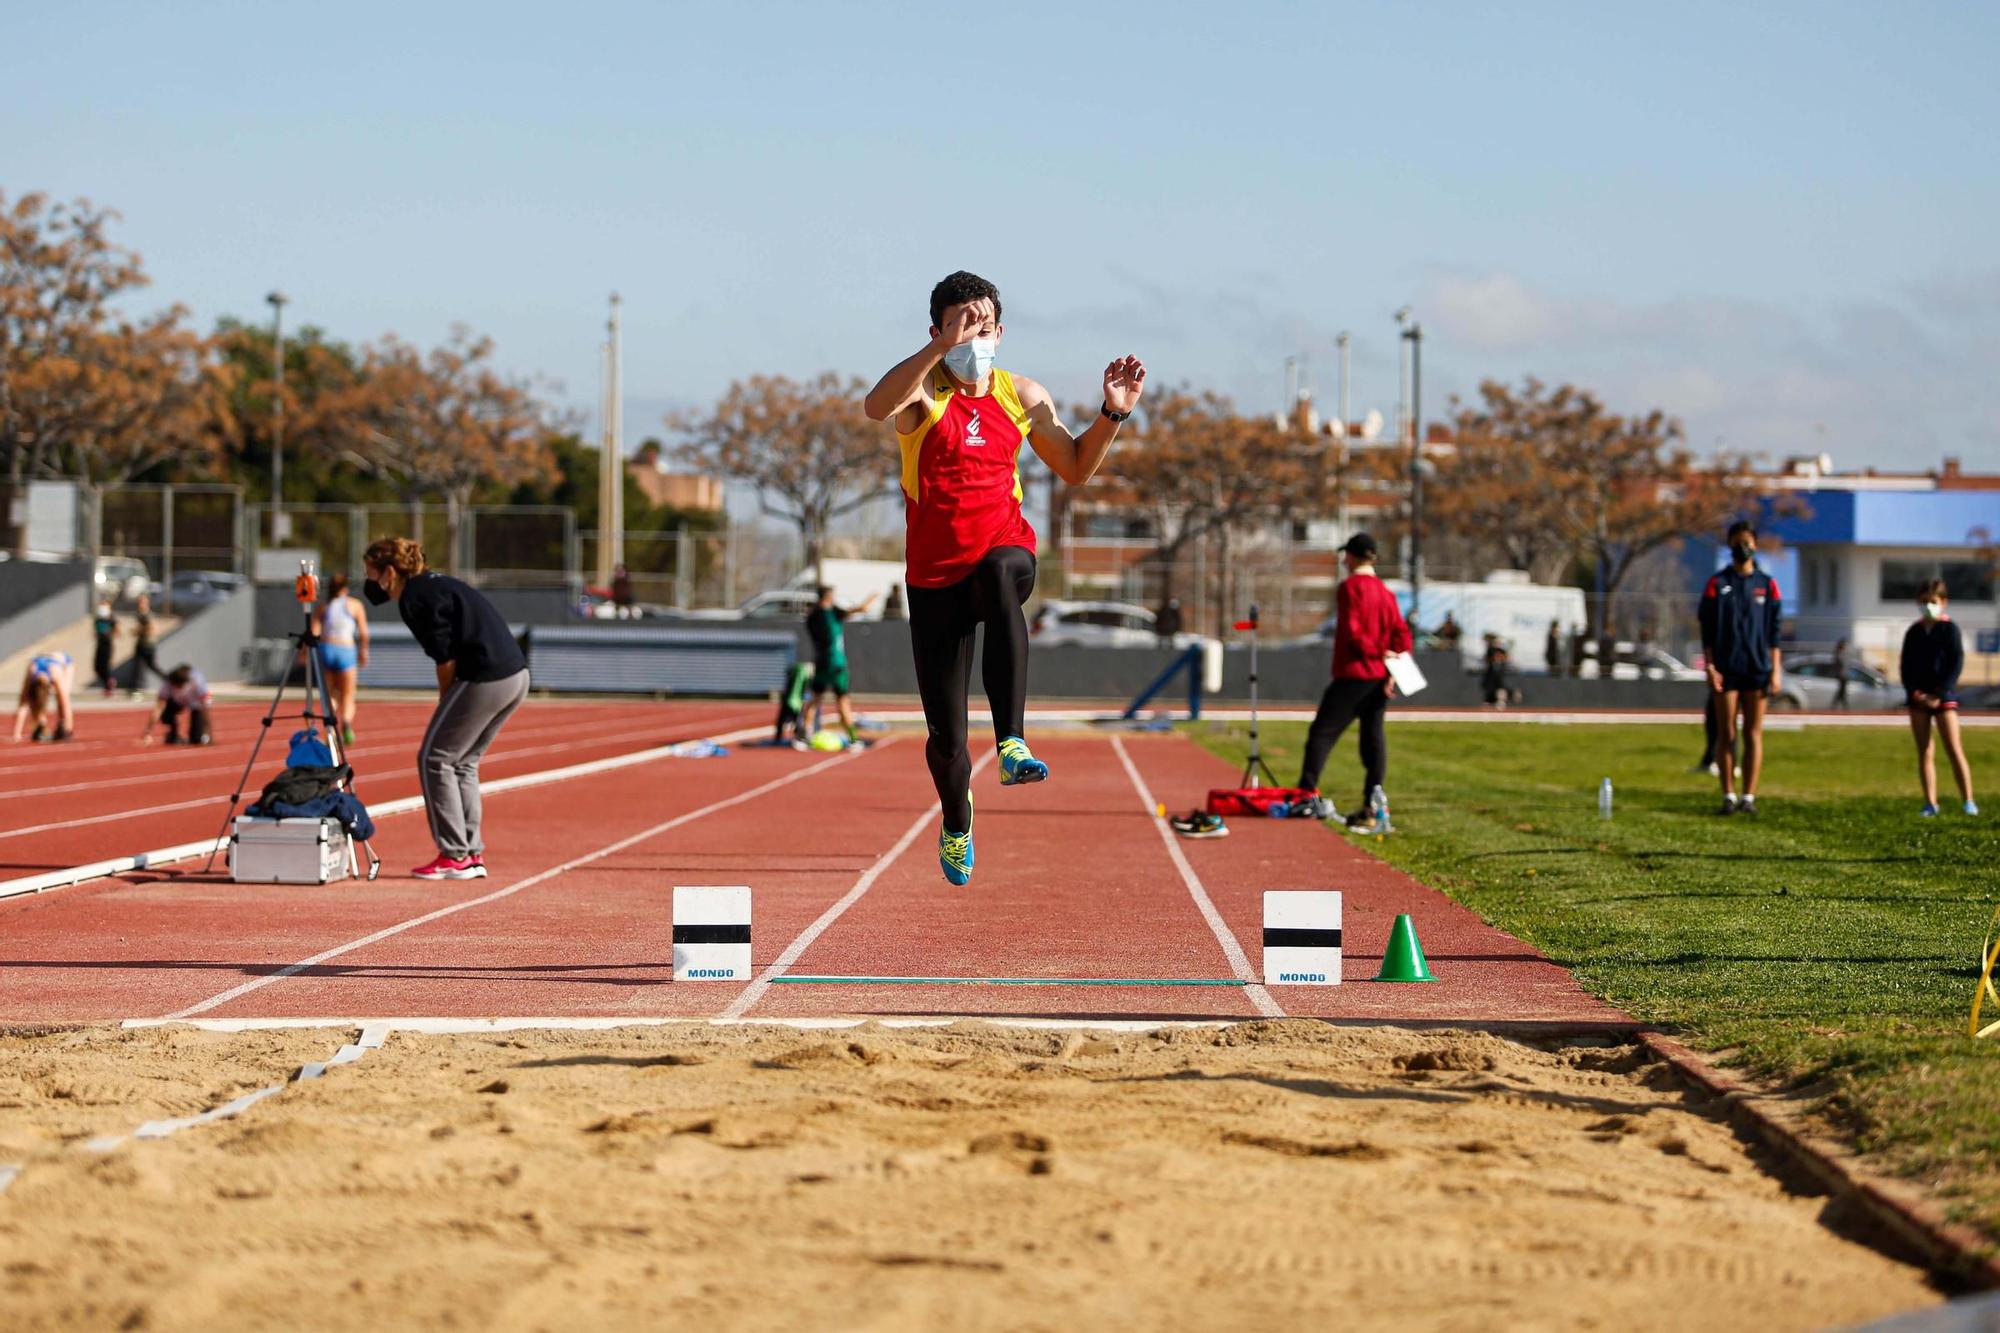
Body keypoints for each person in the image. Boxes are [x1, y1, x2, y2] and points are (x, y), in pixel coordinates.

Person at [863, 270, 1146, 885]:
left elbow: (1073, 468)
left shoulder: (1023, 394)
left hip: (1005, 552)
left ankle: (1013, 742)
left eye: (985, 325)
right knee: (947, 744)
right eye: (963, 325)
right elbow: (875, 406)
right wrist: (940, 350)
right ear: (937, 329)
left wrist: (1111, 415)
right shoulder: (924, 394)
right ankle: (957, 819)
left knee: (999, 568)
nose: (976, 336)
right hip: (935, 579)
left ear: (1001, 330)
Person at [362, 536, 530, 880]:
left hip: (486, 675)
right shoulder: (434, 584)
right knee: (463, 762)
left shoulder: (414, 598)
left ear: (389, 572)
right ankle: (471, 851)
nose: (369, 582)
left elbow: (445, 658)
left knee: (434, 757)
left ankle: (454, 854)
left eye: (370, 573)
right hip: (516, 674)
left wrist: (446, 701)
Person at [1295, 532, 1412, 827]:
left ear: (1353, 556)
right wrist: (1392, 668)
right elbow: (1402, 635)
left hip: (1355, 674)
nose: (1344, 560)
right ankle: (1373, 801)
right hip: (1379, 679)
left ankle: (1306, 793)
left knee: (1321, 733)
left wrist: (1379, 654)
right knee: (1372, 740)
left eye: (1346, 555)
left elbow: (1354, 633)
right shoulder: (1386, 593)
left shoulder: (1350, 588)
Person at [1698, 520, 1783, 816]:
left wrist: (1776, 669)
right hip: (1726, 668)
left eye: (1747, 541)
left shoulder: (1767, 584)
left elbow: (1774, 632)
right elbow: (1707, 630)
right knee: (1726, 732)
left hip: (1757, 668)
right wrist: (1710, 665)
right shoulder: (1717, 584)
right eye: (1736, 542)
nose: (1742, 547)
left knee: (1753, 733)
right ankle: (1728, 796)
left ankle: (1749, 795)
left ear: (1755, 545)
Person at [1901, 579, 1977, 817]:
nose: (1928, 606)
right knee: (1925, 751)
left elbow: (1956, 664)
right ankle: (1930, 803)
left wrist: (1940, 694)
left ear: (1943, 602)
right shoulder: (1914, 632)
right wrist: (1916, 694)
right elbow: (1906, 667)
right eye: (1923, 602)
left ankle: (1968, 801)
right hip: (1919, 700)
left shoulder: (1949, 630)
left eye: (1932, 602)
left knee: (1954, 749)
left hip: (1943, 699)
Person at [805, 585, 877, 744]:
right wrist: (873, 597)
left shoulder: (812, 616)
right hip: (836, 663)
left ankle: (805, 734)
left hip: (821, 662)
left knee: (815, 698)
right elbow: (861, 609)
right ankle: (853, 737)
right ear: (829, 597)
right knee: (843, 700)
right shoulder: (832, 613)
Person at [311, 573, 370, 745]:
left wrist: (306, 654)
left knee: (329, 695)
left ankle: (331, 731)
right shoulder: (354, 605)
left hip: (327, 648)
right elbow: (364, 633)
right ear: (346, 588)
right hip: (346, 649)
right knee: (348, 694)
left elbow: (314, 633)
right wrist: (364, 651)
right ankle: (346, 722)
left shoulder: (323, 606)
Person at [139, 664, 212, 745]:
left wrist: (208, 732)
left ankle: (195, 736)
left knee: (196, 739)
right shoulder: (167, 684)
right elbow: (158, 708)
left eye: (179, 687)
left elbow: (205, 709)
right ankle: (173, 735)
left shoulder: (197, 681)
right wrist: (147, 733)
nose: (178, 689)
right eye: (175, 687)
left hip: (196, 704)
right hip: (176, 702)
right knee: (165, 712)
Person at [11, 652, 75, 742]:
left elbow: (66, 704)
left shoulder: (55, 675)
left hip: (65, 664)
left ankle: (63, 725)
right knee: (35, 704)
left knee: (62, 697)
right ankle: (41, 725)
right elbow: (23, 704)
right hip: (41, 662)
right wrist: (17, 734)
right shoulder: (31, 672)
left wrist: (68, 730)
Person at [130, 592, 163, 688]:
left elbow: (151, 628)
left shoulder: (146, 614)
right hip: (142, 643)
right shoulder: (140, 614)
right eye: (139, 601)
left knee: (147, 666)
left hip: (147, 644)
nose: (140, 603)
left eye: (142, 601)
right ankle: (137, 687)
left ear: (147, 602)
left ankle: (169, 680)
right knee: (139, 667)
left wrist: (138, 630)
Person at [91, 600, 119, 697]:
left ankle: (109, 686)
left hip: (107, 645)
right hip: (99, 645)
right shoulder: (98, 620)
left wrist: (110, 633)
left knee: (106, 666)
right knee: (97, 667)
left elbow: (117, 632)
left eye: (104, 606)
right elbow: (95, 632)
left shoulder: (112, 619)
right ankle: (109, 682)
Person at [1831, 637, 1851, 709]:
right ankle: (1842, 707)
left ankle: (1836, 706)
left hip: (1844, 675)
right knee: (1841, 692)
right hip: (1841, 676)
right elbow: (1840, 664)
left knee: (1842, 692)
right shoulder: (1839, 654)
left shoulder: (1844, 653)